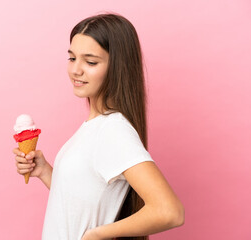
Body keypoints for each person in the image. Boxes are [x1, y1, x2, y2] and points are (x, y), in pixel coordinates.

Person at [13, 13, 184, 240]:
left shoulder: (112, 131)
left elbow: (170, 211)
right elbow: (79, 205)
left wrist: (96, 235)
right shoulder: (94, 127)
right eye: (72, 58)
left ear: (117, 67)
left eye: (90, 62)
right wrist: (44, 171)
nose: (76, 70)